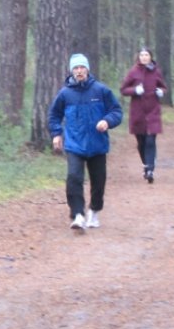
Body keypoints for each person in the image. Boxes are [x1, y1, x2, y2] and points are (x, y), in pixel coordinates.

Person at [49, 54, 123, 231]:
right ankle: (77, 215)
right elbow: (54, 115)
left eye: (82, 68)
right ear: (71, 71)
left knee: (98, 181)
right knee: (74, 178)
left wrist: (107, 121)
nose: (79, 71)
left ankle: (94, 211)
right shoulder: (65, 94)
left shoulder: (100, 90)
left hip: (97, 145)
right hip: (74, 144)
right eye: (76, 68)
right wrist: (56, 134)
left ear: (88, 69)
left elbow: (116, 111)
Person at [120, 47, 167, 184]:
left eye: (147, 55)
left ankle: (151, 169)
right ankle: (146, 165)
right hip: (138, 112)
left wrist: (161, 92)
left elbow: (164, 86)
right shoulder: (133, 72)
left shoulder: (156, 71)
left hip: (153, 110)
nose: (144, 57)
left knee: (151, 141)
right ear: (139, 57)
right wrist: (135, 90)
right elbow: (123, 89)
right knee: (141, 142)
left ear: (151, 57)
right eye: (142, 55)